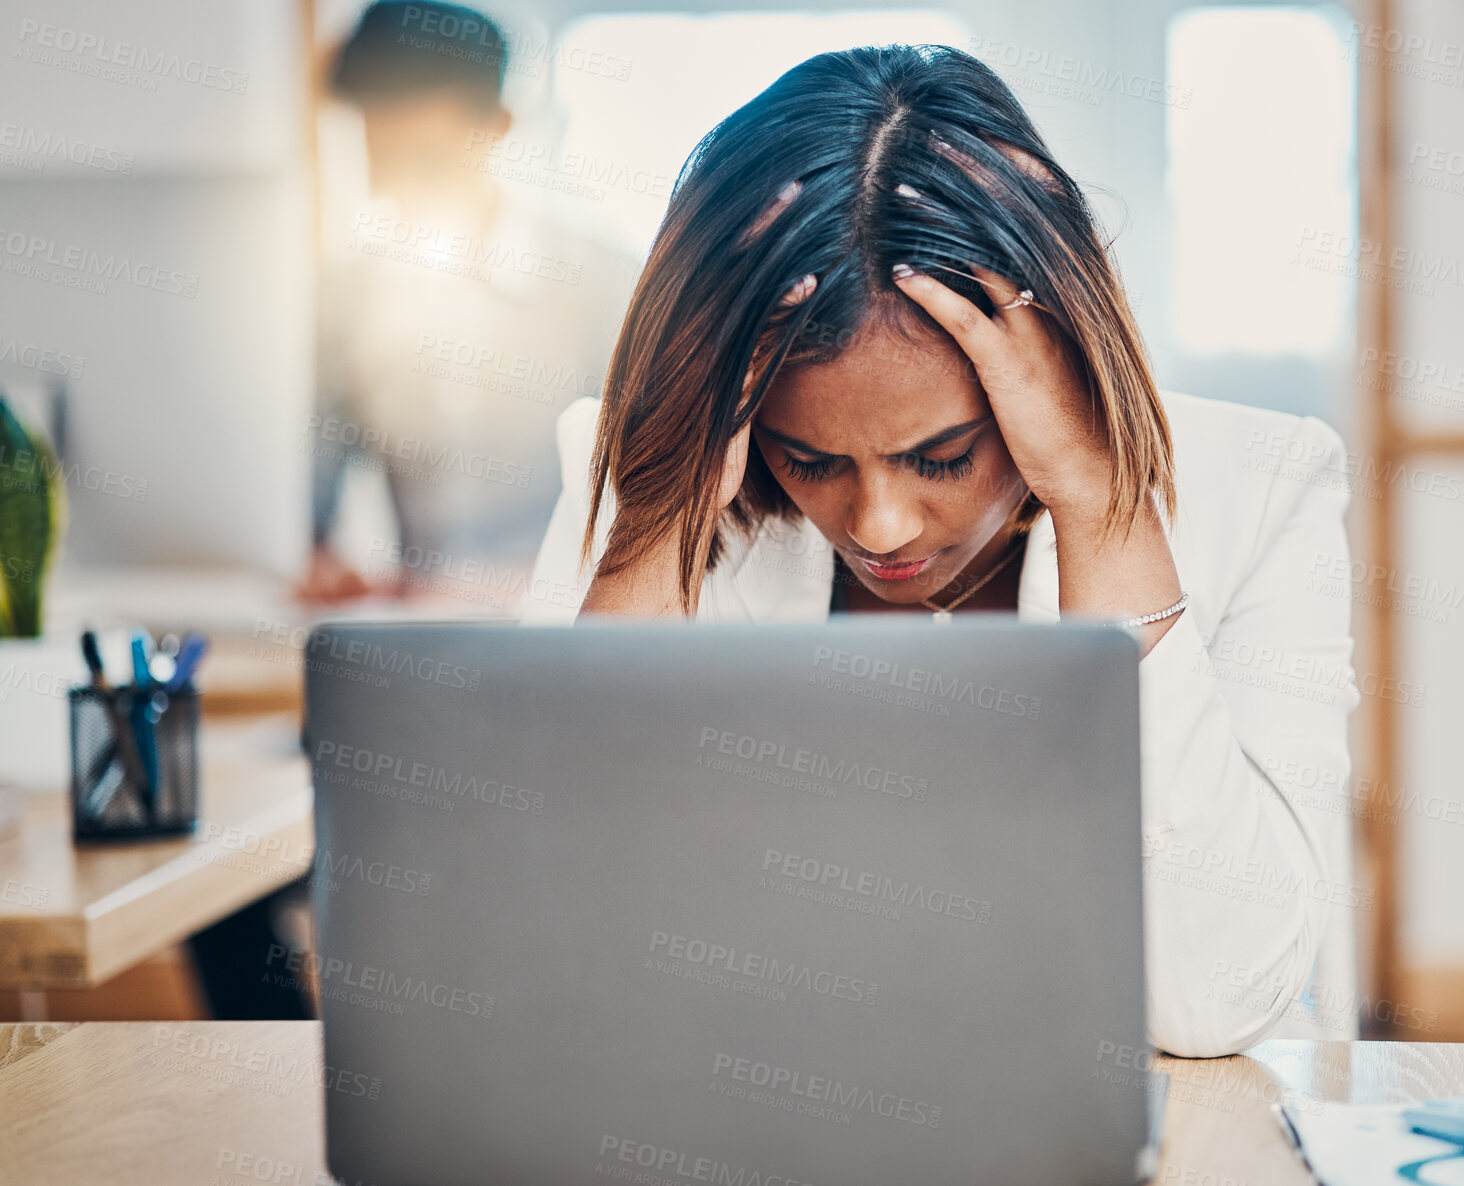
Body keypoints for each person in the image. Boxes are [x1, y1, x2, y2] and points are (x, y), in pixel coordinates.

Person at [521, 44, 1362, 1059]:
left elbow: (1216, 1000)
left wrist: (1103, 513)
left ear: (1050, 362)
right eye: (808, 458)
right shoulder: (638, 482)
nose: (878, 526)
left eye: (942, 455)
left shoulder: (1264, 488)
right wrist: (659, 519)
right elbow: (556, 962)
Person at [304, 0, 639, 605]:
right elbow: (306, 504)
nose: (403, 186)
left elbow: (654, 502)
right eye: (382, 158)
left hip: (570, 625)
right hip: (414, 633)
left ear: (499, 126)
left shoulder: (607, 285)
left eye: (425, 159)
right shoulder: (346, 297)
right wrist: (321, 561)